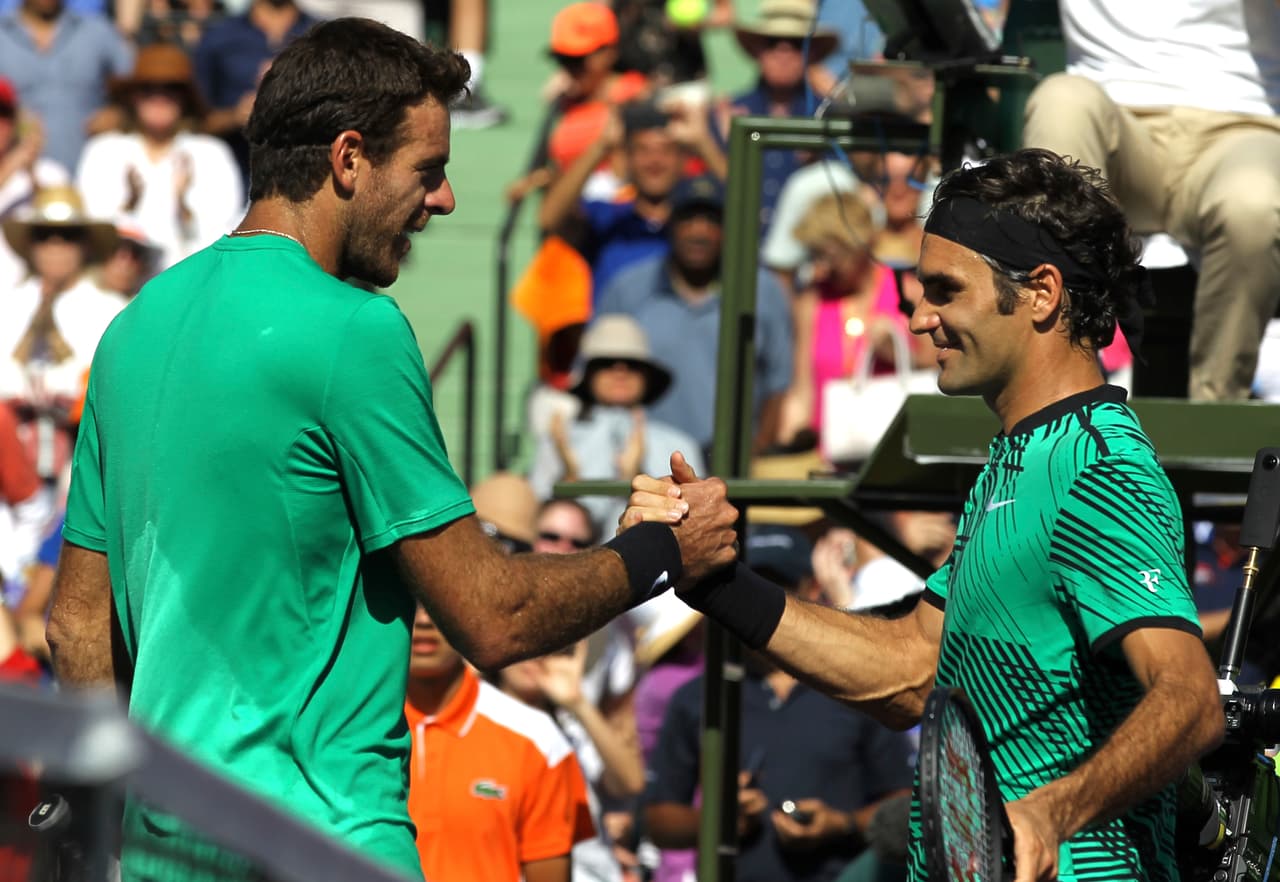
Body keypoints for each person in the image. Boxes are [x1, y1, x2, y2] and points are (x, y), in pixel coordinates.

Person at [44, 19, 738, 882]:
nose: (443, 200)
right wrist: (662, 548)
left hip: (160, 850)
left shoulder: (133, 327)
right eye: (429, 171)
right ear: (347, 159)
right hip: (319, 841)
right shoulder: (355, 330)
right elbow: (493, 616)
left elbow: (77, 629)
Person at [622, 149, 1226, 882]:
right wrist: (715, 581)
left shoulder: (1098, 467)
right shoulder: (1018, 459)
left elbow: (1190, 699)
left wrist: (1050, 814)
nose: (917, 317)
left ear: (1040, 293)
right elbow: (911, 669)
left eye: (943, 290)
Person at [1021, 0, 1280, 401]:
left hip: (1242, 125)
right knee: (1061, 103)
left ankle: (1214, 414)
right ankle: (1064, 403)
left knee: (1253, 206)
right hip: (1115, 125)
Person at [643, 525, 915, 882]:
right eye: (749, 587)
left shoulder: (853, 689)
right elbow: (658, 820)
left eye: (778, 588)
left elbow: (907, 801)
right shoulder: (698, 695)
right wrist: (718, 820)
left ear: (811, 588)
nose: (760, 602)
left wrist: (842, 824)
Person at [595, 175, 793, 457]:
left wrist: (758, 452)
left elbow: (778, 380)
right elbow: (596, 377)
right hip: (648, 463)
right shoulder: (627, 289)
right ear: (670, 224)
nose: (699, 232)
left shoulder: (761, 289)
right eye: (688, 219)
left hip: (733, 467)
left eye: (712, 221)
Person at [405, 601, 594, 882]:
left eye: (434, 600)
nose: (423, 621)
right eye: (408, 600)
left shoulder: (539, 740)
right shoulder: (341, 728)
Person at [529, 314, 705, 534]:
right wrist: (569, 477)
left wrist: (636, 476)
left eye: (632, 365)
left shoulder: (679, 446)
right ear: (590, 374)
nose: (620, 371)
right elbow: (535, 519)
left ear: (647, 375)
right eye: (606, 364)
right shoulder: (560, 437)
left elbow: (693, 523)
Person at [78, 43, 245, 271]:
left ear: (184, 98)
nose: (159, 98)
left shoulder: (211, 154)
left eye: (170, 90)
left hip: (189, 286)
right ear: (133, 97)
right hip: (119, 291)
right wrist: (128, 207)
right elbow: (93, 229)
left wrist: (183, 207)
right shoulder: (104, 151)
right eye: (148, 90)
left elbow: (223, 234)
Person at [0, 186, 126, 482]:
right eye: (44, 235)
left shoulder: (109, 309)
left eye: (68, 236)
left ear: (84, 244)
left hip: (79, 461)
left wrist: (59, 393)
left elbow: (106, 386)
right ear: (31, 245)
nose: (55, 245)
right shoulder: (8, 303)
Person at [0, 0, 133, 172]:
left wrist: (119, 114)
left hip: (90, 174)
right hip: (18, 178)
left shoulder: (97, 31)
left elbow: (138, 86)